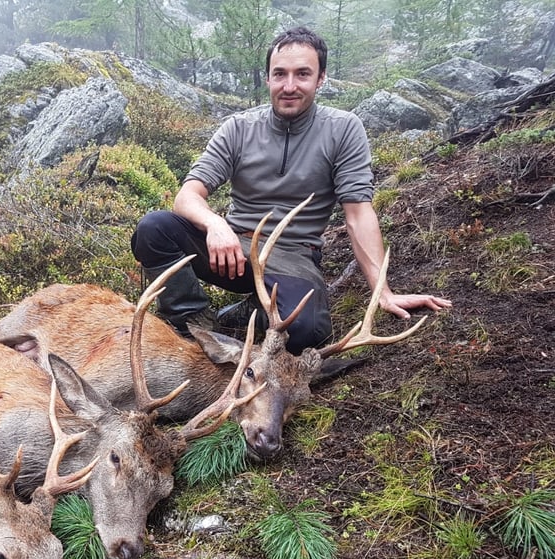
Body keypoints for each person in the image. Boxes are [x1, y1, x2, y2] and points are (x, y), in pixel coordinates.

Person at [130, 26, 451, 354]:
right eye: (279, 74)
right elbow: (187, 195)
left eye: (303, 74)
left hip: (293, 256)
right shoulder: (239, 128)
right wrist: (216, 225)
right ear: (267, 77)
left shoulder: (343, 130)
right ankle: (191, 326)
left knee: (305, 332)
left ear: (321, 78)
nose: (289, 86)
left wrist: (383, 292)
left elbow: (358, 214)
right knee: (154, 228)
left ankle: (254, 310)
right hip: (234, 251)